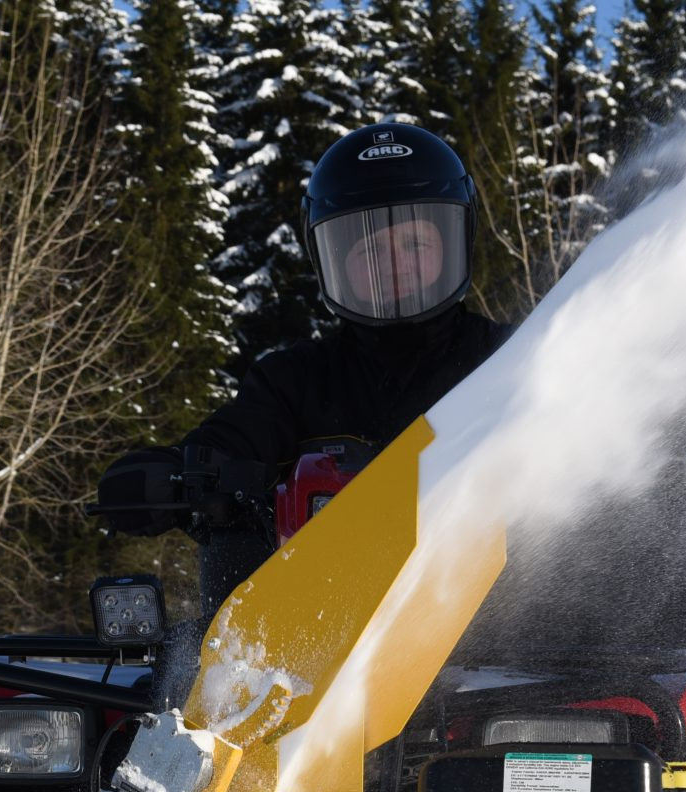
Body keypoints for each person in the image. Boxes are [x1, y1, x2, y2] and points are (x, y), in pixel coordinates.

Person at [95, 121, 512, 613]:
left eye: (415, 244)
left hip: (508, 641)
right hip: (315, 648)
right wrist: (174, 476)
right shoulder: (293, 382)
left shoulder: (512, 360)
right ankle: (238, 671)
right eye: (369, 249)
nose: (393, 266)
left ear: (454, 242)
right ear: (328, 259)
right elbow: (233, 440)